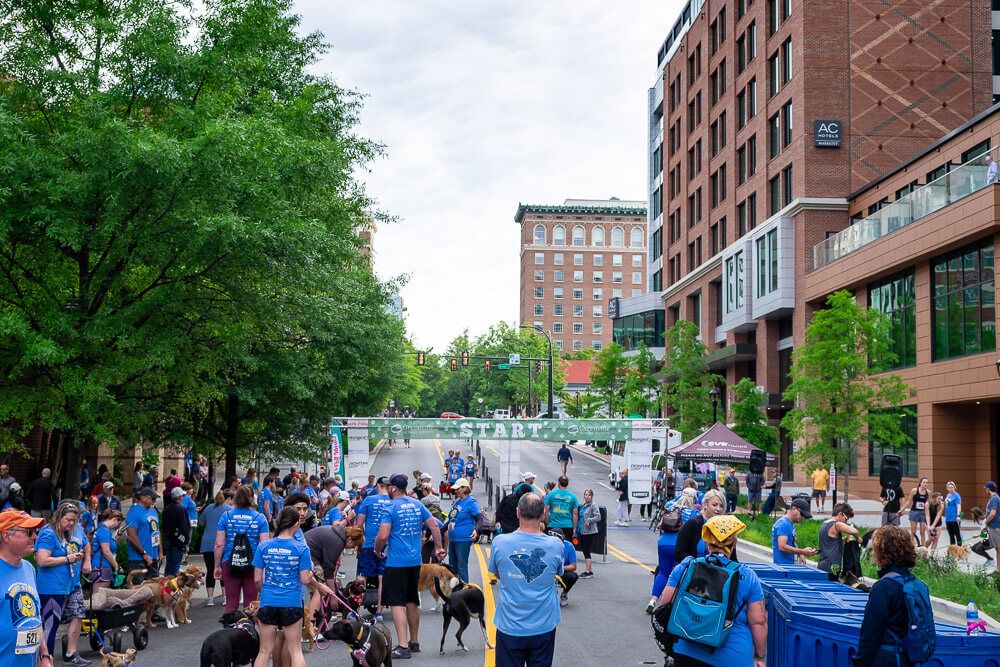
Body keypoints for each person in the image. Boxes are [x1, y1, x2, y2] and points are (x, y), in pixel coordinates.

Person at [657, 515, 767, 667]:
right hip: (733, 657)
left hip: (687, 652)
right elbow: (759, 622)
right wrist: (760, 657)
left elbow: (665, 604)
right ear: (734, 543)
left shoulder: (686, 567)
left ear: (707, 543)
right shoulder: (747, 576)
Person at [488, 493, 565, 667]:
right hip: (543, 625)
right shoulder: (556, 545)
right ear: (544, 513)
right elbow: (557, 573)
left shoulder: (500, 542)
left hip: (509, 625)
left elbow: (497, 573)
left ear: (517, 512)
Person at [375, 474, 446, 660]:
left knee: (397, 603)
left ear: (392, 488)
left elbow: (383, 535)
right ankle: (414, 642)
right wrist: (439, 547)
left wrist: (377, 549)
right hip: (415, 562)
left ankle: (403, 646)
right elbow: (435, 526)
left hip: (396, 562)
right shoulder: (417, 504)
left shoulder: (389, 507)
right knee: (412, 600)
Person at [853, 525, 931, 666]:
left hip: (885, 659)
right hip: (908, 658)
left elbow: (870, 635)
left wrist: (858, 663)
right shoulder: (914, 584)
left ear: (882, 552)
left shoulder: (883, 587)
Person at [252, 507, 314, 667]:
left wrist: (263, 593)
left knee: (264, 651)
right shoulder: (301, 548)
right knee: (295, 650)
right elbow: (305, 579)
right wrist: (311, 574)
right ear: (295, 524)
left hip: (268, 600)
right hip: (291, 601)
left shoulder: (263, 547)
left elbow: (257, 579)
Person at [35, 501, 90, 666]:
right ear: (59, 516)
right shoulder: (48, 533)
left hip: (67, 586)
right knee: (50, 627)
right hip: (51, 588)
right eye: (68, 520)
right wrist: (67, 559)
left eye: (74, 521)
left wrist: (84, 559)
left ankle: (60, 656)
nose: (71, 524)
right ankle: (46, 660)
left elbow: (85, 544)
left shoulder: (68, 531)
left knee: (58, 624)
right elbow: (42, 560)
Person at [0, 509, 51, 667]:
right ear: (7, 536)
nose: (35, 536)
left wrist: (44, 655)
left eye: (35, 531)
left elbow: (35, 617)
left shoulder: (29, 568)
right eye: (29, 532)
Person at [214, 485, 270, 613]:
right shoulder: (260, 518)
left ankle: (230, 629)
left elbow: (219, 544)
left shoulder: (226, 516)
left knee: (231, 602)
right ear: (251, 499)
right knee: (250, 602)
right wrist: (264, 569)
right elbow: (264, 545)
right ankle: (247, 629)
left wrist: (217, 565)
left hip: (230, 561)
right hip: (253, 564)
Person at [355, 476, 392, 622]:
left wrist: (360, 543)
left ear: (377, 485)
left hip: (369, 544)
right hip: (386, 546)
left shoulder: (369, 500)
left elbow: (358, 525)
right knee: (382, 577)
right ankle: (379, 612)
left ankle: (355, 610)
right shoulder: (392, 502)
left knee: (361, 576)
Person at [645, 495, 684, 615]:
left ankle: (653, 600)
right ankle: (673, 604)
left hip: (663, 542)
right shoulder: (693, 511)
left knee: (663, 572)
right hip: (679, 544)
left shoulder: (670, 505)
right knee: (679, 575)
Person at [444, 477, 484, 583]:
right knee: (452, 565)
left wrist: (476, 530)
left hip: (463, 538)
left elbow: (480, 519)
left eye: (458, 489)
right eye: (455, 489)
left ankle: (464, 589)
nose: (456, 491)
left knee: (461, 565)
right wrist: (438, 530)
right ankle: (454, 590)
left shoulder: (471, 502)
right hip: (453, 538)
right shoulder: (457, 501)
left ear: (464, 488)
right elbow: (451, 519)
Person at [198, 488, 232, 606]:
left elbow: (201, 522)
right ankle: (224, 598)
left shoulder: (208, 508)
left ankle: (210, 599)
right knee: (223, 569)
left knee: (210, 569)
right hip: (222, 542)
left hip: (207, 542)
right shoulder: (228, 510)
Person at [675, 488, 728, 563]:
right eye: (714, 505)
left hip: (719, 572)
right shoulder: (692, 525)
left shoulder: (726, 528)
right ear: (705, 504)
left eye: (721, 506)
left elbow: (732, 558)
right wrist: (697, 563)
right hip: (695, 571)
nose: (718, 509)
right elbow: (679, 554)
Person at [125, 487, 160, 581]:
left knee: (153, 590)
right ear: (143, 498)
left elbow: (157, 531)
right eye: (152, 498)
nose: (154, 501)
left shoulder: (153, 511)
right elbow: (132, 536)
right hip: (138, 559)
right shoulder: (134, 511)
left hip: (153, 556)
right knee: (139, 590)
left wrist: (160, 552)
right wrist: (144, 553)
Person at [817, 503, 860, 579]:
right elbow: (854, 531)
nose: (845, 522)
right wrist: (858, 539)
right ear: (840, 514)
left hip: (822, 564)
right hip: (832, 566)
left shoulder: (824, 523)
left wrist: (842, 539)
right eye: (846, 519)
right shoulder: (837, 524)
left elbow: (829, 541)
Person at [772, 498, 817, 565]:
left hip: (788, 565)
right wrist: (802, 551)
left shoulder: (789, 524)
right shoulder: (783, 523)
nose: (803, 518)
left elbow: (791, 543)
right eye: (802, 514)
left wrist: (799, 553)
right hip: (783, 567)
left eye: (804, 516)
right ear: (794, 509)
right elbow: (782, 546)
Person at [91, 509, 124, 591]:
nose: (117, 526)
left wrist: (119, 534)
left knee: (101, 594)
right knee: (99, 595)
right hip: (101, 566)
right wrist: (116, 566)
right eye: (118, 524)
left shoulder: (101, 527)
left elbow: (111, 545)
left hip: (102, 565)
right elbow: (106, 551)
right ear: (115, 519)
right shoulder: (104, 530)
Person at [162, 487, 191, 576]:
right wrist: (185, 542)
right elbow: (185, 527)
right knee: (175, 566)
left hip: (168, 540)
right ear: (180, 497)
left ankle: (166, 584)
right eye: (182, 495)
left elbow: (164, 526)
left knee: (169, 564)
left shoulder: (167, 508)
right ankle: (173, 585)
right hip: (178, 541)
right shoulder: (180, 509)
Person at [543, 476, 579, 542]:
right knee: (566, 546)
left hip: (553, 525)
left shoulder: (551, 495)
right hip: (568, 526)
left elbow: (546, 511)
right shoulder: (573, 497)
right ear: (567, 484)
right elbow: (575, 514)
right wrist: (574, 529)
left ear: (558, 483)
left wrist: (547, 523)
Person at [899, 477, 931, 546]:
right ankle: (911, 547)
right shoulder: (914, 490)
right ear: (920, 483)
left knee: (922, 532)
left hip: (923, 513)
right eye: (924, 482)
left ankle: (923, 548)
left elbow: (928, 503)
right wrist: (902, 509)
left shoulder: (928, 492)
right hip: (914, 512)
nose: (925, 484)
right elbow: (909, 501)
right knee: (913, 531)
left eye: (926, 483)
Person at [577, 489, 600, 579]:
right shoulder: (584, 505)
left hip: (589, 531)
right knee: (585, 550)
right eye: (585, 494)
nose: (587, 496)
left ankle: (587, 572)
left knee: (586, 551)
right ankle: (589, 571)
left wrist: (590, 520)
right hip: (583, 530)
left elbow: (598, 516)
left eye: (588, 495)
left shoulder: (593, 505)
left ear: (592, 496)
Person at [984, 481, 1000, 573]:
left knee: (999, 549)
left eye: (986, 488)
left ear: (988, 489)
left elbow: (993, 513)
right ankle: (998, 569)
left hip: (996, 527)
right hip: (994, 527)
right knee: (997, 549)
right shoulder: (994, 497)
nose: (985, 490)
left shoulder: (994, 498)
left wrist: (986, 521)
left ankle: (998, 569)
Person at [944, 481, 963, 546]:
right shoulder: (948, 495)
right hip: (948, 518)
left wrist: (958, 516)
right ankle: (953, 549)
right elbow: (947, 505)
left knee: (957, 534)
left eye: (952, 487)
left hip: (954, 517)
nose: (950, 489)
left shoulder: (957, 496)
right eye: (949, 487)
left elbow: (959, 506)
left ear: (954, 487)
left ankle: (959, 548)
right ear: (947, 488)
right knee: (951, 534)